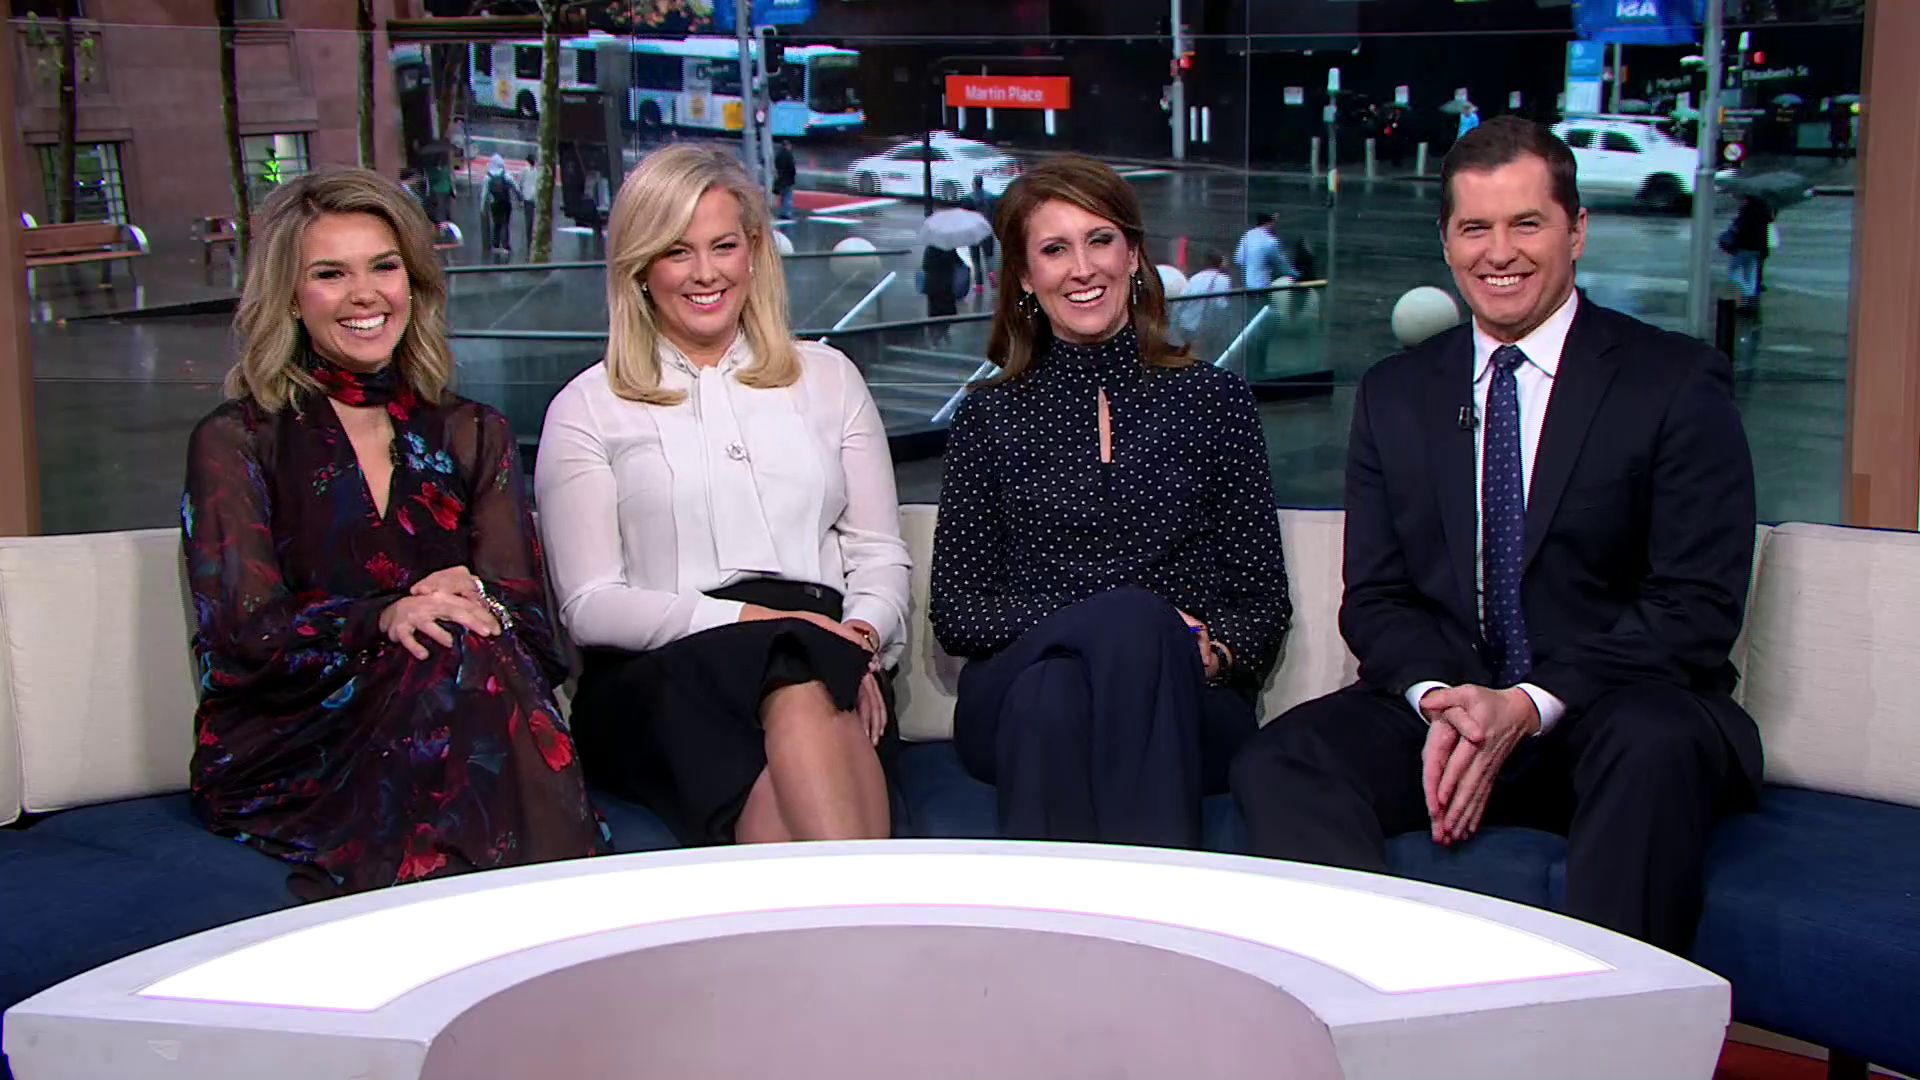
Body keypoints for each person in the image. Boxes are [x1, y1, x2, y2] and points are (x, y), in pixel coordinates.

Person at [1229, 117, 1760, 954]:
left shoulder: (1674, 381)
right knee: (1283, 759)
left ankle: (1605, 1020)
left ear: (1575, 231)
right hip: (1455, 706)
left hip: (1614, 706)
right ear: (1447, 242)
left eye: (1527, 224)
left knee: (1653, 744)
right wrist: (1443, 702)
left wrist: (1527, 704)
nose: (1499, 252)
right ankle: (1381, 1001)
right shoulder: (1397, 394)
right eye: (1476, 227)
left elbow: (1695, 606)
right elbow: (1377, 598)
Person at [181, 167, 604, 899]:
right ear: (290, 296)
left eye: (384, 266)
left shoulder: (474, 432)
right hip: (299, 736)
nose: (365, 294)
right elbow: (244, 636)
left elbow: (537, 640)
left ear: (414, 282)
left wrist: (478, 597)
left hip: (457, 700)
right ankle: (569, 908)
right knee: (455, 654)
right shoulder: (238, 439)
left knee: (467, 644)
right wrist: (388, 615)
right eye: (330, 274)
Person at [535, 144, 910, 847]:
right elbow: (590, 605)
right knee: (793, 659)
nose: (705, 273)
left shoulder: (829, 377)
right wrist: (763, 623)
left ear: (755, 253)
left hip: (830, 651)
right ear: (640, 268)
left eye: (724, 246)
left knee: (799, 678)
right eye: (677, 252)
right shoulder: (587, 407)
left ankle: (826, 914)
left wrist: (858, 640)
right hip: (659, 671)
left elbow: (878, 554)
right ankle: (876, 911)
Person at [930, 155, 1291, 848]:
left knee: (1056, 700)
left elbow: (1260, 600)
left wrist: (1209, 655)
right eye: (1054, 250)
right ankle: (1157, 906)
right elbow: (959, 612)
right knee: (1120, 625)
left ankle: (1051, 919)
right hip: (1011, 686)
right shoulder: (989, 418)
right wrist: (1115, 621)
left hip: (1187, 697)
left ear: (1132, 255)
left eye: (1100, 240)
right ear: (1025, 276)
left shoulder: (1213, 401)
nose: (1082, 268)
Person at [1172, 249, 1231, 360]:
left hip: (1189, 325)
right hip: (1209, 328)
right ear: (1220, 263)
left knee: (1191, 356)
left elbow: (1180, 302)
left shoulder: (1195, 277)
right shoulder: (1224, 280)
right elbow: (1222, 305)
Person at [1725, 194, 1772, 309]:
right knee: (1750, 275)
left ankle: (1748, 293)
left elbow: (1739, 230)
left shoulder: (1746, 213)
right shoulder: (1764, 215)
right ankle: (1748, 300)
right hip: (1758, 249)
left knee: (1732, 272)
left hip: (1744, 247)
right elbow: (1765, 235)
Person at [922, 241, 966, 346]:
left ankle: (935, 337)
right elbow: (958, 262)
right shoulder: (949, 248)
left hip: (933, 286)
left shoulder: (931, 248)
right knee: (946, 312)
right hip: (946, 287)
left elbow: (925, 266)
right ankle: (942, 334)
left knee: (934, 312)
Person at [965, 175, 999, 291]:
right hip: (986, 231)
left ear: (974, 184)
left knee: (976, 259)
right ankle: (992, 275)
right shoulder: (991, 197)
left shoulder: (968, 198)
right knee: (989, 256)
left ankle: (979, 285)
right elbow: (995, 214)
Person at [485, 153, 515, 258]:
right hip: (506, 202)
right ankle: (506, 244)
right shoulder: (506, 175)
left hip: (494, 203)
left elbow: (484, 193)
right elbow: (514, 186)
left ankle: (496, 244)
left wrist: (482, 206)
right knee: (505, 224)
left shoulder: (488, 176)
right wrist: (520, 198)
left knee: (496, 224)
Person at [516, 148, 542, 255]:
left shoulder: (524, 171)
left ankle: (529, 240)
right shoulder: (537, 172)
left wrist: (519, 198)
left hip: (527, 197)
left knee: (528, 220)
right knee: (534, 219)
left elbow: (519, 183)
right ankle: (534, 239)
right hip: (535, 197)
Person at [773, 139, 798, 220]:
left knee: (783, 196)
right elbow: (792, 168)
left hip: (780, 179)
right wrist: (793, 176)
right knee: (788, 197)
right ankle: (786, 213)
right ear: (788, 146)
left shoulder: (778, 155)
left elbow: (776, 166)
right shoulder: (789, 155)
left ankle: (783, 212)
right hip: (788, 179)